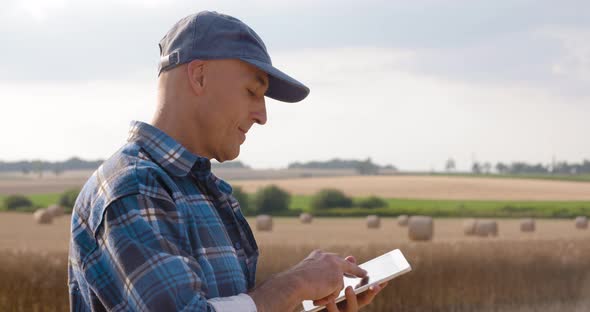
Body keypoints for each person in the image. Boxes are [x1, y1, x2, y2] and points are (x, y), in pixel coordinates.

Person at [68, 10, 388, 312]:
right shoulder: (134, 187)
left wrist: (301, 303)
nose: (262, 115)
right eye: (252, 91)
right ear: (200, 76)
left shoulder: (203, 190)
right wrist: (294, 284)